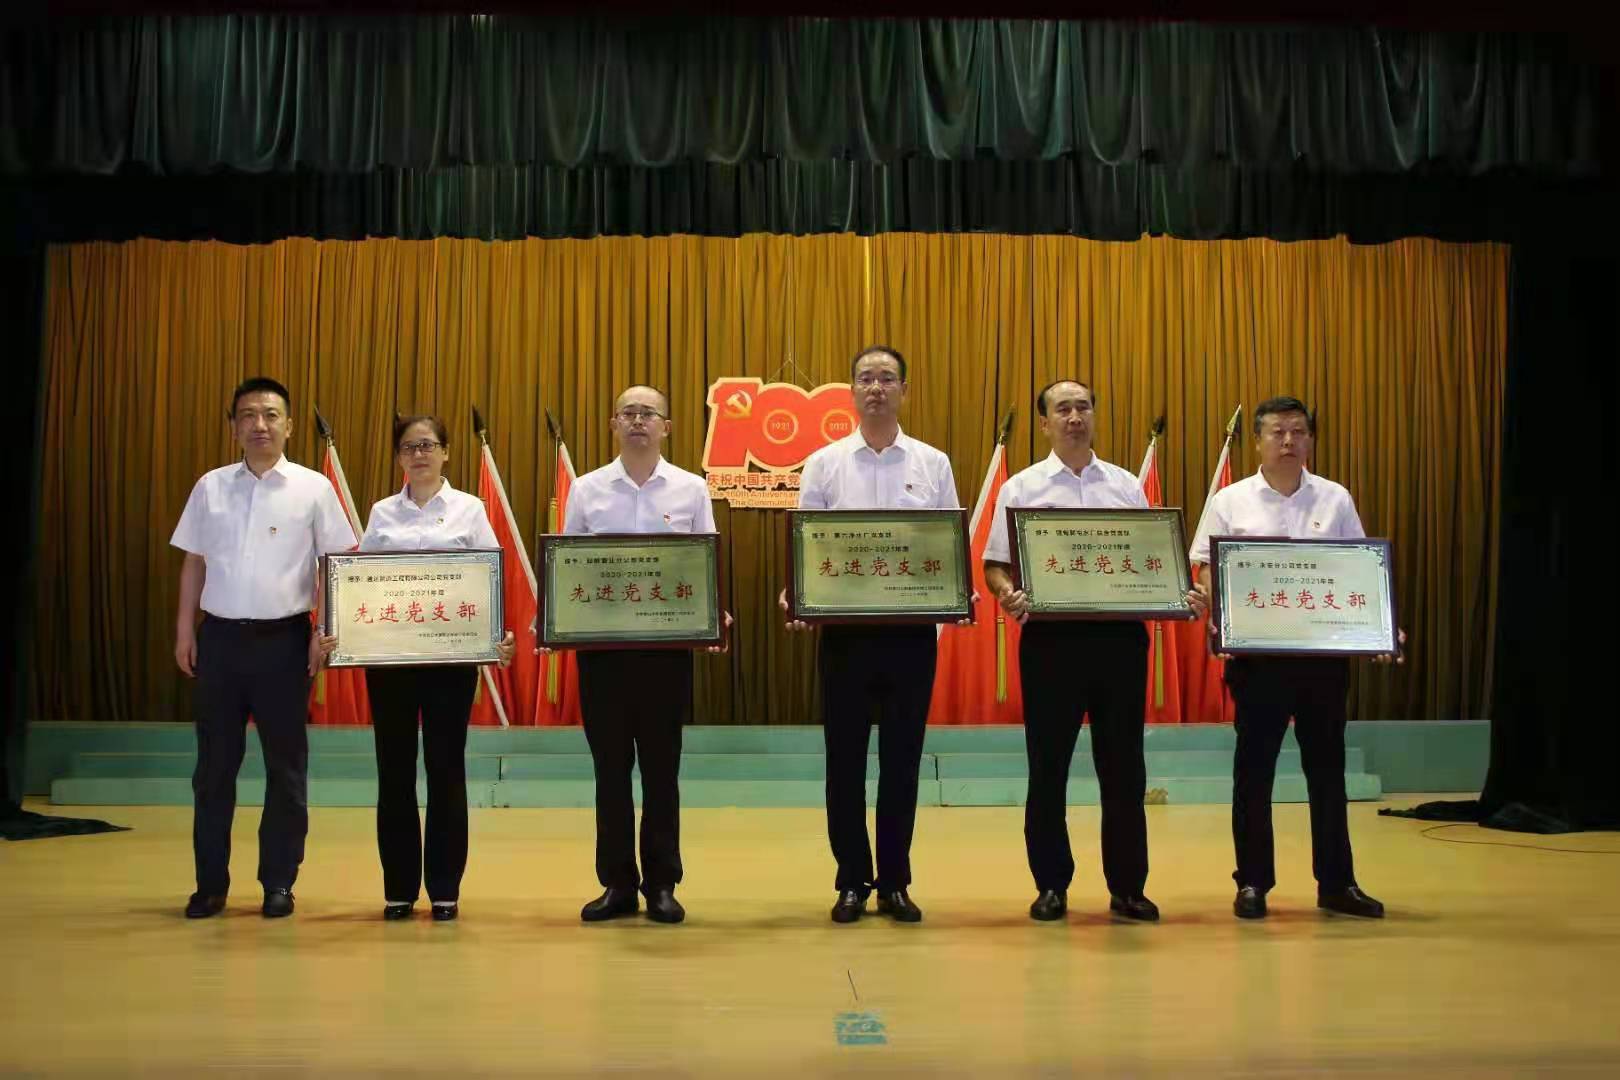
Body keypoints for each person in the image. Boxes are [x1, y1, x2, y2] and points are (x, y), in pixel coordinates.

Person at [983, 380, 1206, 923]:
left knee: (1124, 769)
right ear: (1044, 423)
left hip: (1119, 642)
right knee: (1048, 768)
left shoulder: (1126, 486)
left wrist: (1178, 593)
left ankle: (1128, 888)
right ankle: (1051, 885)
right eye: (1062, 409)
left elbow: (1153, 560)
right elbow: (995, 565)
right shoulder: (1021, 488)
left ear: (1094, 416)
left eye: (1083, 407)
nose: (1074, 416)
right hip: (1050, 643)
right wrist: (1007, 592)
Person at [1190, 396, 1400, 921]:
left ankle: (1337, 883)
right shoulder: (1230, 500)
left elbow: (1360, 569)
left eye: (1298, 432)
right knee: (1253, 773)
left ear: (1310, 439)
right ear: (1257, 441)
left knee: (1327, 773)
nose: (1288, 441)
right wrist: (1218, 606)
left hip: (1322, 662)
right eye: (1277, 432)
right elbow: (1206, 567)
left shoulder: (1335, 497)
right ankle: (1252, 882)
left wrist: (1381, 627)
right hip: (1257, 662)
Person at [782, 345, 962, 925]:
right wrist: (797, 593)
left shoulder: (933, 463)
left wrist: (956, 592)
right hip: (846, 639)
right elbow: (808, 547)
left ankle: (895, 882)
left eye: (887, 378)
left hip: (911, 638)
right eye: (866, 378)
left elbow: (948, 547)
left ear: (904, 390)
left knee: (902, 763)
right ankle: (852, 881)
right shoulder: (824, 463)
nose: (876, 387)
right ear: (852, 392)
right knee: (845, 764)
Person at [171, 376, 355, 919]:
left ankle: (279, 881)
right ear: (233, 426)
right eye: (248, 415)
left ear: (289, 425)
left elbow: (335, 565)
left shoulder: (313, 489)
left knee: (286, 769)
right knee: (213, 770)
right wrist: (185, 630)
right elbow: (194, 562)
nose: (260, 425)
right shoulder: (210, 487)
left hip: (286, 642)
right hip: (221, 641)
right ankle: (210, 885)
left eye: (271, 415)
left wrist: (323, 633)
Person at [545, 385, 728, 925]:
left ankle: (663, 883)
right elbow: (568, 567)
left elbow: (706, 562)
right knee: (610, 772)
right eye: (628, 412)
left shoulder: (691, 488)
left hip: (666, 656)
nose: (639, 421)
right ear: (613, 424)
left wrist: (713, 614)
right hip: (602, 656)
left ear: (666, 427)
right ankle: (617, 883)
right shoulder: (587, 489)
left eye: (649, 413)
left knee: (661, 771)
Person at [359, 415, 515, 922]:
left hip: (451, 663)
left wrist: (498, 638)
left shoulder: (470, 509)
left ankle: (445, 888)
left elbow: (491, 578)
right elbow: (360, 583)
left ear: (446, 452)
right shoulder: (382, 513)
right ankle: (399, 890)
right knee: (394, 771)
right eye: (409, 446)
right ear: (399, 457)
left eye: (427, 445)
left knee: (446, 770)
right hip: (391, 662)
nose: (419, 454)